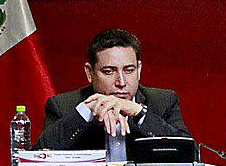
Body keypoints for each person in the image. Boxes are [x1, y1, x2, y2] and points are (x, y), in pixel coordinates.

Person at [37, 28, 191, 150]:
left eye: (129, 70)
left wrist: (139, 113)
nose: (121, 82)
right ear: (90, 73)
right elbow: (36, 158)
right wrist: (85, 114)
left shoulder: (162, 101)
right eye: (109, 71)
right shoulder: (64, 105)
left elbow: (189, 153)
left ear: (139, 69)